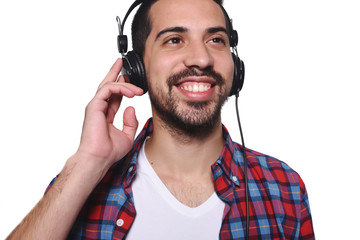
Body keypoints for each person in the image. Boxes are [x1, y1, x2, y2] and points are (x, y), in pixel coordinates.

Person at [8, 0, 315, 239]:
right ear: (137, 67)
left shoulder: (284, 186)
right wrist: (88, 161)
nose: (201, 58)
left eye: (216, 40)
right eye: (174, 40)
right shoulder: (82, 183)